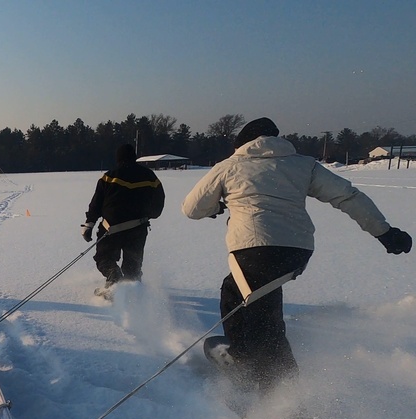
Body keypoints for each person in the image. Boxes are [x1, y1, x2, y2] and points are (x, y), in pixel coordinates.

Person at [182, 117, 411, 391]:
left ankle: (279, 397)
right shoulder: (304, 164)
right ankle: (247, 359)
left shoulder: (230, 166)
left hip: (253, 249)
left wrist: (216, 208)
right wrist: (383, 231)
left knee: (257, 310)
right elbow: (347, 196)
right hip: (296, 251)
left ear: (242, 143)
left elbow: (191, 209)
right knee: (244, 296)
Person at [82, 143, 165, 296]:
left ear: (118, 158)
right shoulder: (150, 177)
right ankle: (133, 294)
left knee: (104, 258)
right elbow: (158, 206)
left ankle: (113, 279)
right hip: (138, 229)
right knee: (133, 266)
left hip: (110, 229)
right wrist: (147, 214)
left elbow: (96, 203)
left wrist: (89, 224)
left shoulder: (109, 177)